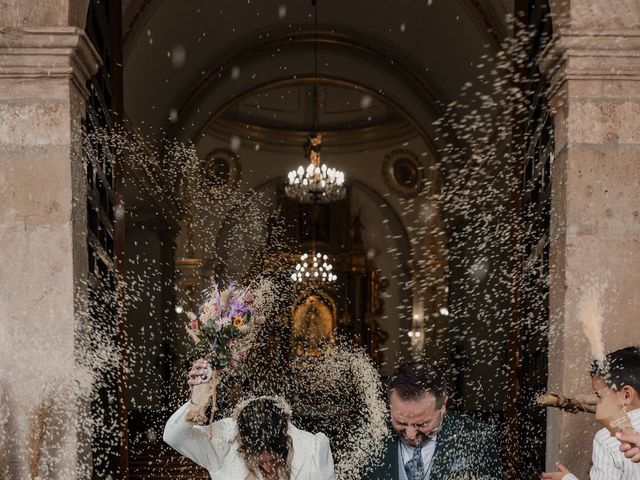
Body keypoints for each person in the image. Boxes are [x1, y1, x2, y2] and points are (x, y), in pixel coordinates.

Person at [164, 359, 335, 480]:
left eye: (273, 460)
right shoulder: (221, 446)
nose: (268, 468)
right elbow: (174, 437)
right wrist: (196, 403)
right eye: (260, 461)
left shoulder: (313, 450)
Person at [362, 361, 502, 480]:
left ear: (443, 406)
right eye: (401, 422)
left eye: (422, 424)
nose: (410, 434)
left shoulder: (477, 437)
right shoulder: (364, 437)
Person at [542, 346, 640, 480]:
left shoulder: (606, 440)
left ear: (627, 395)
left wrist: (567, 479)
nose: (599, 402)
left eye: (599, 396)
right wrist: (589, 399)